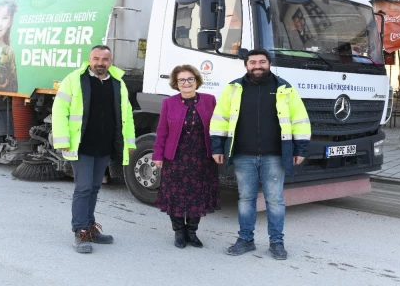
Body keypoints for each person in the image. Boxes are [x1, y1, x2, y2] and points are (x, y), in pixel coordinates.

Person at [210, 49, 311, 260]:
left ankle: (277, 243)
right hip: (242, 155)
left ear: (269, 63)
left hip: (275, 155)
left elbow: (299, 120)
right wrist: (217, 147)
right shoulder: (233, 89)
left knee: (274, 200)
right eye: (253, 62)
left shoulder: (285, 88)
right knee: (246, 199)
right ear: (246, 65)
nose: (258, 65)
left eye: (262, 62)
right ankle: (245, 240)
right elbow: (220, 119)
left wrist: (300, 149)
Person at [52, 45, 136, 254]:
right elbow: (60, 109)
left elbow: (127, 115)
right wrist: (62, 139)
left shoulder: (118, 82)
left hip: (105, 145)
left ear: (111, 61)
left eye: (105, 59)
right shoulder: (74, 79)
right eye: (96, 58)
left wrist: (130, 143)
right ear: (89, 59)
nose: (100, 63)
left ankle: (90, 227)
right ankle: (80, 231)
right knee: (83, 188)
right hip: (82, 145)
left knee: (95, 187)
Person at [152, 65, 220, 249]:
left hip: (201, 158)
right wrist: (158, 154)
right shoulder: (169, 103)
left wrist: (218, 150)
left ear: (197, 80)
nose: (186, 83)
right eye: (182, 80)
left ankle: (192, 232)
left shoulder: (209, 100)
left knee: (197, 196)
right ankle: (179, 233)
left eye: (190, 79)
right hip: (176, 158)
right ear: (176, 83)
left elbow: (217, 129)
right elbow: (162, 131)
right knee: (175, 196)